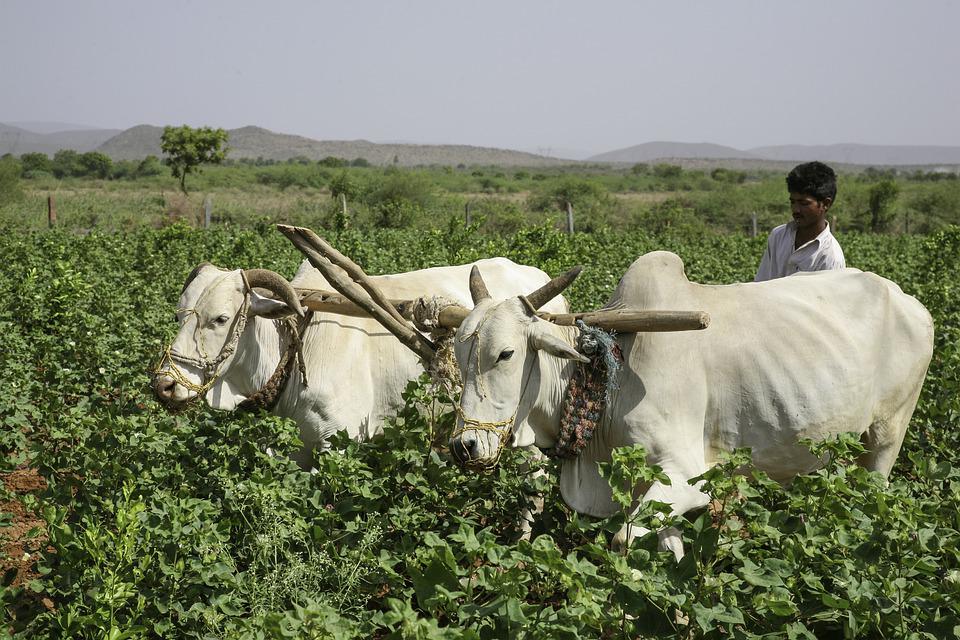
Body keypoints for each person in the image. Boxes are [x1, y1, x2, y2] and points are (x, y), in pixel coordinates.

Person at [755, 161, 846, 282]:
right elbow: (761, 283)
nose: (796, 210)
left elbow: (826, 299)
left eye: (804, 203)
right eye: (793, 202)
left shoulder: (830, 256)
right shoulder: (778, 236)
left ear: (825, 204)